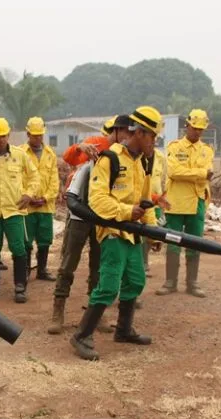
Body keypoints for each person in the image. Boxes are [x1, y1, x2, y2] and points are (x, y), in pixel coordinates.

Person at [70, 106, 165, 361]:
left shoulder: (144, 161)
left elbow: (145, 201)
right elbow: (98, 201)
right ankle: (81, 335)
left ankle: (123, 330)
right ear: (141, 133)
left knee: (135, 281)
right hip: (112, 231)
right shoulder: (109, 159)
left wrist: (153, 232)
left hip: (133, 233)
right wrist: (126, 211)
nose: (154, 143)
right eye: (153, 137)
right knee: (109, 286)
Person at [47, 115, 132, 335]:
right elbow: (69, 158)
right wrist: (79, 147)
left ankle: (95, 312)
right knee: (68, 264)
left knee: (98, 267)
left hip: (103, 217)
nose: (129, 138)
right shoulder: (98, 144)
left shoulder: (126, 155)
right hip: (80, 214)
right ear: (118, 130)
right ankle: (58, 310)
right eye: (127, 133)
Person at [0, 117, 40, 303]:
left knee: (18, 247)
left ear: (8, 135)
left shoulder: (20, 155)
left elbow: (34, 176)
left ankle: (20, 286)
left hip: (14, 210)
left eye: (3, 136)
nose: (0, 139)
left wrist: (29, 194)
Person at [156, 109, 214, 298]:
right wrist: (200, 174)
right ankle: (170, 282)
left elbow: (207, 172)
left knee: (195, 243)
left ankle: (192, 283)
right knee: (173, 242)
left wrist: (193, 173)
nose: (197, 132)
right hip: (176, 202)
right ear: (186, 126)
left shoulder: (207, 151)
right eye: (194, 127)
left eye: (201, 129)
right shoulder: (174, 147)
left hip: (197, 201)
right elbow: (174, 172)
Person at [21, 117, 59, 281]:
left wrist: (46, 198)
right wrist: (27, 196)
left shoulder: (50, 154)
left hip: (45, 206)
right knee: (26, 241)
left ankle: (42, 270)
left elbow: (54, 180)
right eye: (35, 135)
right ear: (28, 134)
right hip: (27, 206)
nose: (38, 139)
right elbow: (17, 178)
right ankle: (26, 269)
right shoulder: (20, 153)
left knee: (45, 240)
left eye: (40, 135)